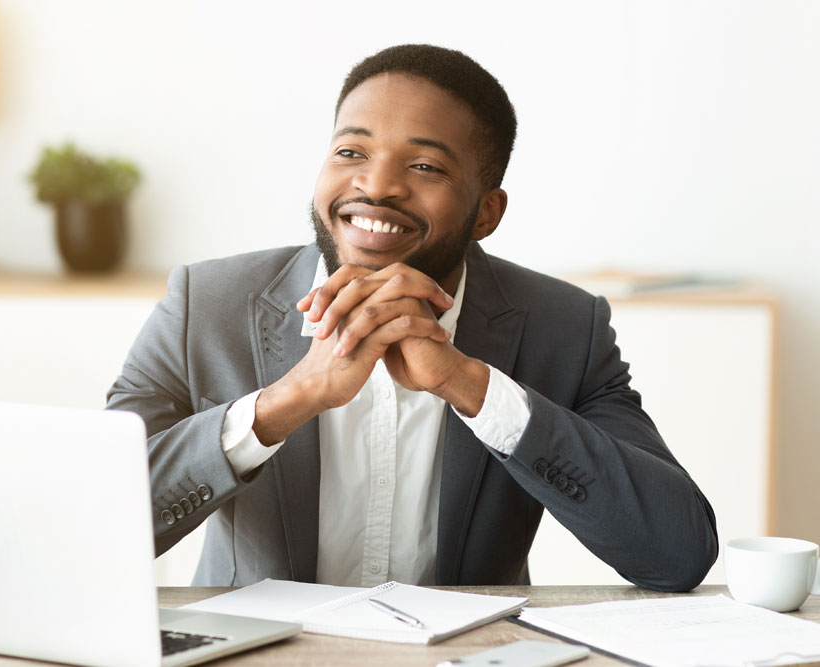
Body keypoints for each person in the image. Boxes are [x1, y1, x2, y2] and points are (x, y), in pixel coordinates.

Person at [106, 44, 717, 592]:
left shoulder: (566, 327)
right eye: (351, 151)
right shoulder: (205, 304)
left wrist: (471, 386)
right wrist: (286, 401)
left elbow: (677, 553)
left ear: (486, 212)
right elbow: (92, 527)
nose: (375, 186)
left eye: (425, 166)